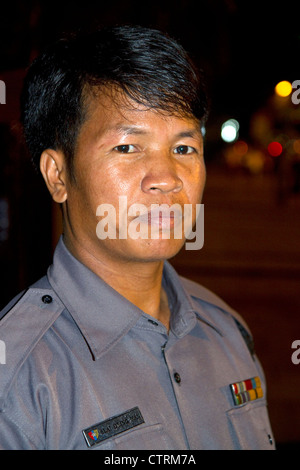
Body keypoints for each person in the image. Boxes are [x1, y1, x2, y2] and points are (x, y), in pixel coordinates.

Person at [0, 25, 274, 450]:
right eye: (127, 147)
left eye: (184, 149)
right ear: (58, 175)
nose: (166, 179)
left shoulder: (225, 331)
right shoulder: (18, 376)